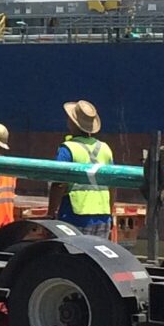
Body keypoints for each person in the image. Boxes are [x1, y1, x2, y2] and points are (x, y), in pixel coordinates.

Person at [51, 99, 115, 236]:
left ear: (72, 123)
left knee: (71, 256)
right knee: (97, 256)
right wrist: (110, 212)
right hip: (103, 216)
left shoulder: (67, 149)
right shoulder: (105, 149)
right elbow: (113, 184)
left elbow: (58, 183)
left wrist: (51, 213)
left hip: (75, 215)